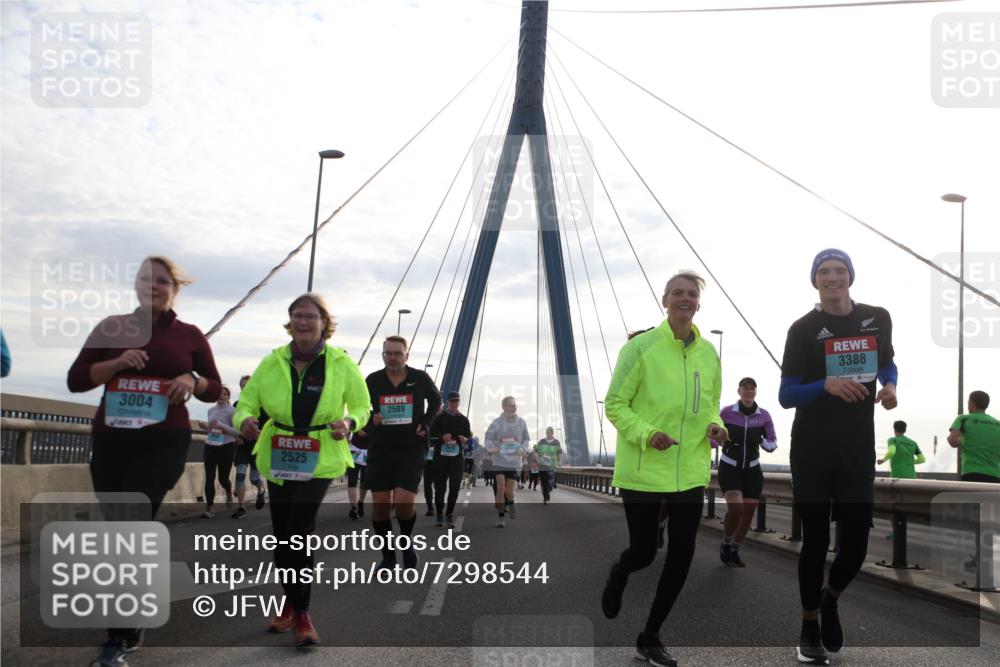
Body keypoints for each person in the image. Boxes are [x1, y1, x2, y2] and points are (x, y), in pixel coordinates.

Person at [67, 256, 222, 667]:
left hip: (164, 442)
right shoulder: (112, 328)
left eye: (161, 281)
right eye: (144, 279)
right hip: (112, 441)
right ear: (135, 285)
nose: (151, 286)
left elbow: (214, 388)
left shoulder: (189, 336)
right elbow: (76, 379)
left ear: (175, 289)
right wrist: (116, 363)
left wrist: (192, 380)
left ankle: (118, 636)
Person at [600, 270, 726, 667]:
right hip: (644, 469)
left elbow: (709, 405)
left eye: (691, 294)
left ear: (698, 303)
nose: (684, 299)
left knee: (683, 553)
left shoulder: (708, 354)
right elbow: (616, 404)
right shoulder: (640, 348)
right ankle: (621, 570)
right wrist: (647, 433)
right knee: (643, 552)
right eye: (677, 293)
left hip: (688, 470)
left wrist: (716, 427)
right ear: (665, 300)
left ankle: (650, 635)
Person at [778, 249, 897, 665]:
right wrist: (824, 386)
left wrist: (890, 387)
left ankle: (830, 599)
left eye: (840, 270)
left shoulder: (877, 317)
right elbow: (786, 394)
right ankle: (809, 622)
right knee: (814, 542)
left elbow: (889, 364)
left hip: (857, 449)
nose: (833, 277)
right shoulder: (802, 329)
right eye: (824, 271)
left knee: (857, 545)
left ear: (851, 276)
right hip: (811, 449)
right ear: (815, 280)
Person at [234, 293, 370, 648]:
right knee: (282, 535)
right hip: (280, 453)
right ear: (289, 320)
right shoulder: (273, 360)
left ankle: (303, 613)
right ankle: (291, 602)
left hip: (320, 453)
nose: (303, 321)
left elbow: (362, 405)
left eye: (311, 316)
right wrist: (245, 418)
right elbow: (247, 401)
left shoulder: (341, 363)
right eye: (297, 315)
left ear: (324, 322)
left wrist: (349, 421)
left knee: (299, 528)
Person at [365, 335, 442, 569]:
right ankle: (388, 556)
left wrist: (426, 424)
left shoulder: (420, 378)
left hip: (411, 448)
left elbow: (436, 401)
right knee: (380, 508)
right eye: (388, 353)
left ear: (407, 355)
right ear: (383, 355)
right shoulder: (373, 380)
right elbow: (360, 408)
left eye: (398, 353)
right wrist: (371, 419)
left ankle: (406, 543)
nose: (393, 357)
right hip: (381, 449)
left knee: (403, 504)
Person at [716, 377, 778, 567]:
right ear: (739, 391)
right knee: (736, 508)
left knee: (748, 511)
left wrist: (759, 440)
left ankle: (735, 549)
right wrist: (722, 439)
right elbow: (712, 438)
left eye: (752, 388)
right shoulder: (726, 412)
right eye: (745, 388)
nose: (749, 391)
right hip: (730, 466)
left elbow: (773, 444)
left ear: (756, 392)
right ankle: (726, 543)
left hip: (752, 469)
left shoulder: (764, 415)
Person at [484, 396, 530, 527]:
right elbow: (488, 438)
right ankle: (500, 516)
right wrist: (491, 448)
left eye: (515, 405)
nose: (514, 407)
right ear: (504, 407)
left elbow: (526, 439)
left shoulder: (521, 422)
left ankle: (511, 501)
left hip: (514, 462)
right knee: (500, 488)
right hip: (499, 461)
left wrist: (523, 448)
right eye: (511, 405)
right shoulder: (496, 423)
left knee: (509, 492)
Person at [430, 391, 472, 527]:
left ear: (459, 403)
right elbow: (430, 438)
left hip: (457, 459)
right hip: (440, 458)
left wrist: (465, 439)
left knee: (454, 487)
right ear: (447, 403)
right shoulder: (439, 418)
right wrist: (442, 438)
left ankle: (449, 514)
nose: (454, 404)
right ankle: (439, 515)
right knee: (440, 488)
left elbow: (469, 439)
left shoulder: (464, 420)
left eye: (456, 401)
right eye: (451, 401)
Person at [198, 386, 237, 518]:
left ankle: (228, 488)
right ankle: (210, 508)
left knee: (222, 478)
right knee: (209, 477)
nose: (221, 396)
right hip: (211, 446)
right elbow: (213, 430)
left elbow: (237, 432)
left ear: (228, 397)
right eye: (219, 394)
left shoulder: (232, 411)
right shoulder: (210, 410)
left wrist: (222, 425)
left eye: (225, 394)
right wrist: (206, 428)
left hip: (226, 447)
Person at [232, 374, 267, 517]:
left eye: (248, 386)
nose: (245, 388)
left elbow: (269, 426)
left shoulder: (264, 407)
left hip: (257, 447)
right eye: (243, 386)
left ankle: (261, 490)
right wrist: (236, 435)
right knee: (240, 475)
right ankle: (241, 507)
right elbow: (232, 423)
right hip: (242, 446)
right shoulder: (236, 406)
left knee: (253, 479)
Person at [948, 391, 1000, 483]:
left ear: (972, 404)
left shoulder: (963, 418)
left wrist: (963, 441)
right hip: (996, 476)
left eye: (968, 403)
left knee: (972, 498)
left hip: (972, 473)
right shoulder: (997, 423)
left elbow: (953, 441)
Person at [533, 426, 564, 505]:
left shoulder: (556, 442)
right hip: (542, 465)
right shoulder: (542, 441)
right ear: (546, 433)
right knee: (543, 482)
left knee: (550, 482)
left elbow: (560, 453)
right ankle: (545, 496)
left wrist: (560, 462)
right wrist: (537, 458)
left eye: (550, 432)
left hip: (552, 465)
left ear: (552, 433)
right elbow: (535, 451)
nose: (549, 433)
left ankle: (548, 492)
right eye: (548, 432)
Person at [347, 422, 371, 519]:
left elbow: (377, 435)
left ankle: (361, 502)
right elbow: (348, 430)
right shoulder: (355, 416)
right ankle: (354, 508)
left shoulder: (374, 415)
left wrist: (365, 435)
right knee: (352, 479)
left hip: (367, 451)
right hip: (354, 449)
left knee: (364, 481)